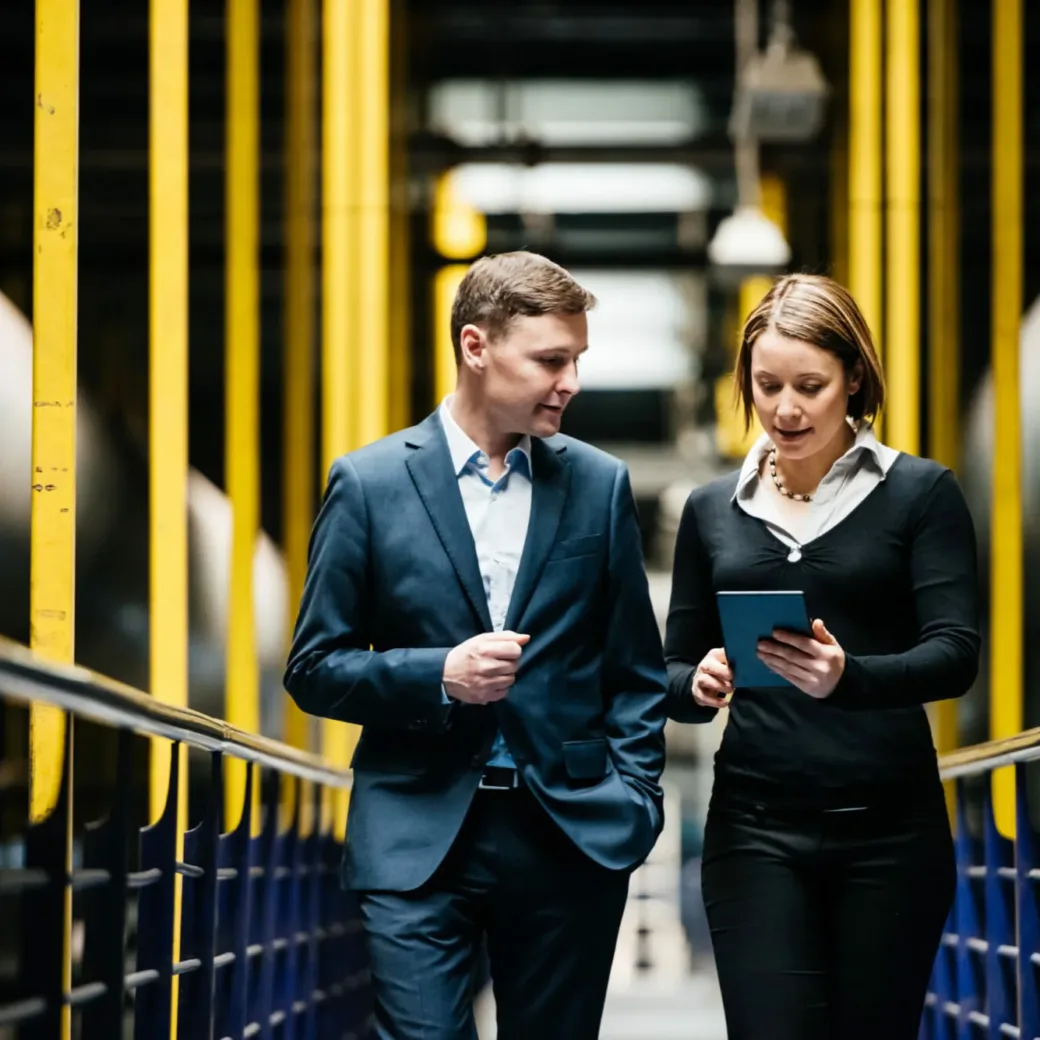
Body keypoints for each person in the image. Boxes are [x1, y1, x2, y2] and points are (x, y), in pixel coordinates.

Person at [285, 251, 668, 1040]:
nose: (571, 383)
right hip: (415, 836)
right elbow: (315, 668)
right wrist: (439, 675)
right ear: (475, 346)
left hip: (569, 835)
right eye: (551, 361)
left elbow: (633, 670)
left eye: (577, 361)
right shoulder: (369, 483)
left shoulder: (598, 487)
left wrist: (636, 800)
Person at [664, 273, 980, 1040]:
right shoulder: (713, 510)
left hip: (891, 833)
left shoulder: (921, 495)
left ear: (854, 380)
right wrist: (699, 683)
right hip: (755, 832)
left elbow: (956, 654)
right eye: (767, 385)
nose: (785, 408)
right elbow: (667, 673)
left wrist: (849, 676)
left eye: (810, 385)